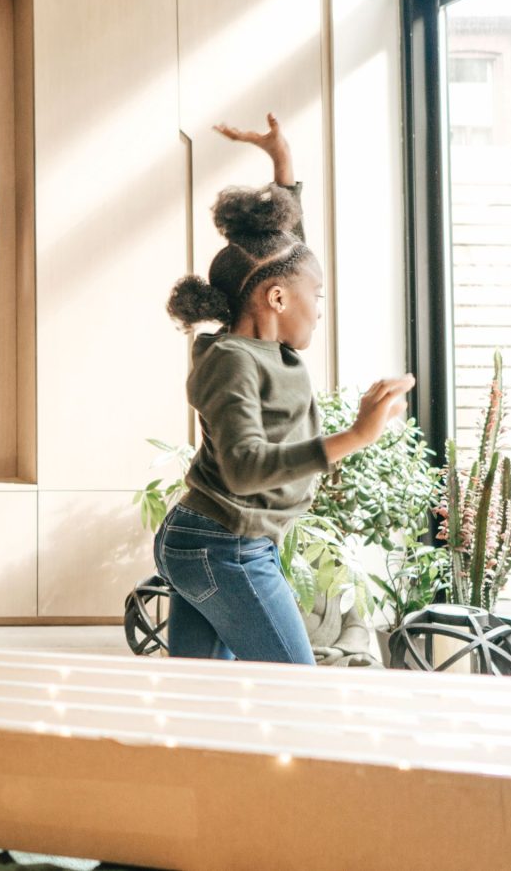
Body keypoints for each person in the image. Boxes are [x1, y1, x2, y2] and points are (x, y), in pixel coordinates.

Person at [161, 115, 414, 664]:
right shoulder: (232, 362)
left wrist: (282, 161)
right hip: (221, 546)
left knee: (199, 699)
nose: (319, 309)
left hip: (221, 543)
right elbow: (246, 466)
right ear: (276, 300)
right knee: (293, 687)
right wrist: (356, 435)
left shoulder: (261, 339)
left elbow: (286, 250)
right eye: (316, 295)